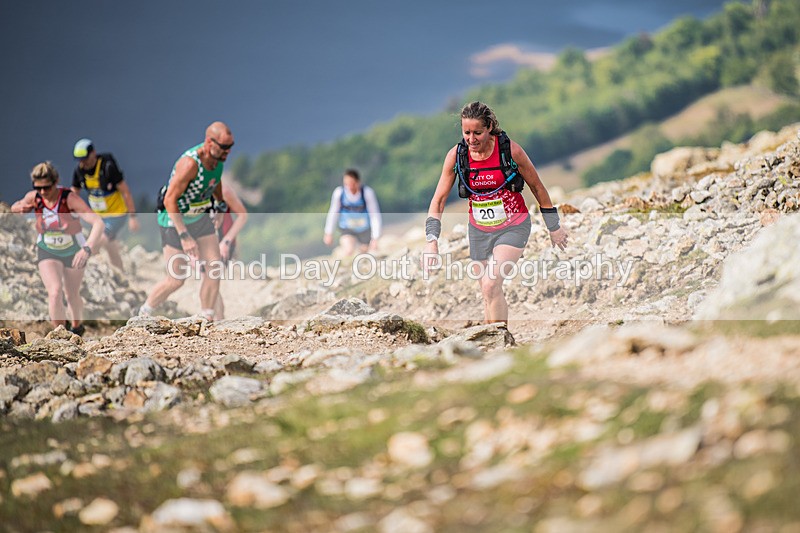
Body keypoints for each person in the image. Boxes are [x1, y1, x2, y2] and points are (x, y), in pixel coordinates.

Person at [423, 101, 569, 326]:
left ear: (489, 127)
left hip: (514, 226)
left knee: (491, 284)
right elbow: (439, 200)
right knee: (487, 290)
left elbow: (537, 187)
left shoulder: (511, 151)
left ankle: (499, 337)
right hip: (479, 230)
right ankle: (491, 338)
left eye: (477, 133)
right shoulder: (457, 156)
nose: (471, 139)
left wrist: (554, 226)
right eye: (466, 133)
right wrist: (431, 241)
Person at [138, 121, 234, 321]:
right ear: (209, 142)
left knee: (214, 268)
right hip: (174, 220)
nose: (228, 151)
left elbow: (215, 181)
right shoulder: (190, 164)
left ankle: (207, 317)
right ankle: (145, 312)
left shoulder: (218, 159)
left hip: (199, 216)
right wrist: (184, 236)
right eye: (224, 147)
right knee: (176, 278)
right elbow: (169, 200)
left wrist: (219, 205)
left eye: (230, 146)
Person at [10, 162, 105, 335]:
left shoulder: (69, 199)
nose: (43, 192)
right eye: (38, 188)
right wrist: (18, 209)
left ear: (56, 182)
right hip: (47, 249)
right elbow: (16, 206)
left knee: (72, 294)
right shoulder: (34, 197)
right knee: (54, 292)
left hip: (74, 250)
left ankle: (77, 327)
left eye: (47, 187)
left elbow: (98, 223)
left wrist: (87, 249)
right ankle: (60, 334)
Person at [71, 138, 139, 271]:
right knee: (110, 245)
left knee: (98, 241)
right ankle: (121, 273)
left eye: (85, 159)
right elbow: (73, 194)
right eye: (80, 160)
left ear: (93, 153)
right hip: (98, 217)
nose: (83, 163)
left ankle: (88, 269)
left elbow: (125, 191)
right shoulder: (79, 171)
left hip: (116, 214)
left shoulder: (107, 167)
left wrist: (133, 216)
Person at [212, 181, 248, 320]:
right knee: (209, 281)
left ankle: (217, 319)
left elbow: (242, 215)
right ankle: (216, 319)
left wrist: (226, 241)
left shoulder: (224, 191)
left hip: (224, 242)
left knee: (211, 280)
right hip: (205, 239)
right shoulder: (194, 191)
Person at [323, 169, 382, 255]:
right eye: (346, 184)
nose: (349, 187)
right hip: (347, 228)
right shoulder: (339, 193)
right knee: (349, 250)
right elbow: (333, 213)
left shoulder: (367, 193)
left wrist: (375, 238)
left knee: (365, 252)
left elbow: (375, 215)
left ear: (358, 182)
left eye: (352, 184)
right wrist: (328, 232)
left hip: (364, 229)